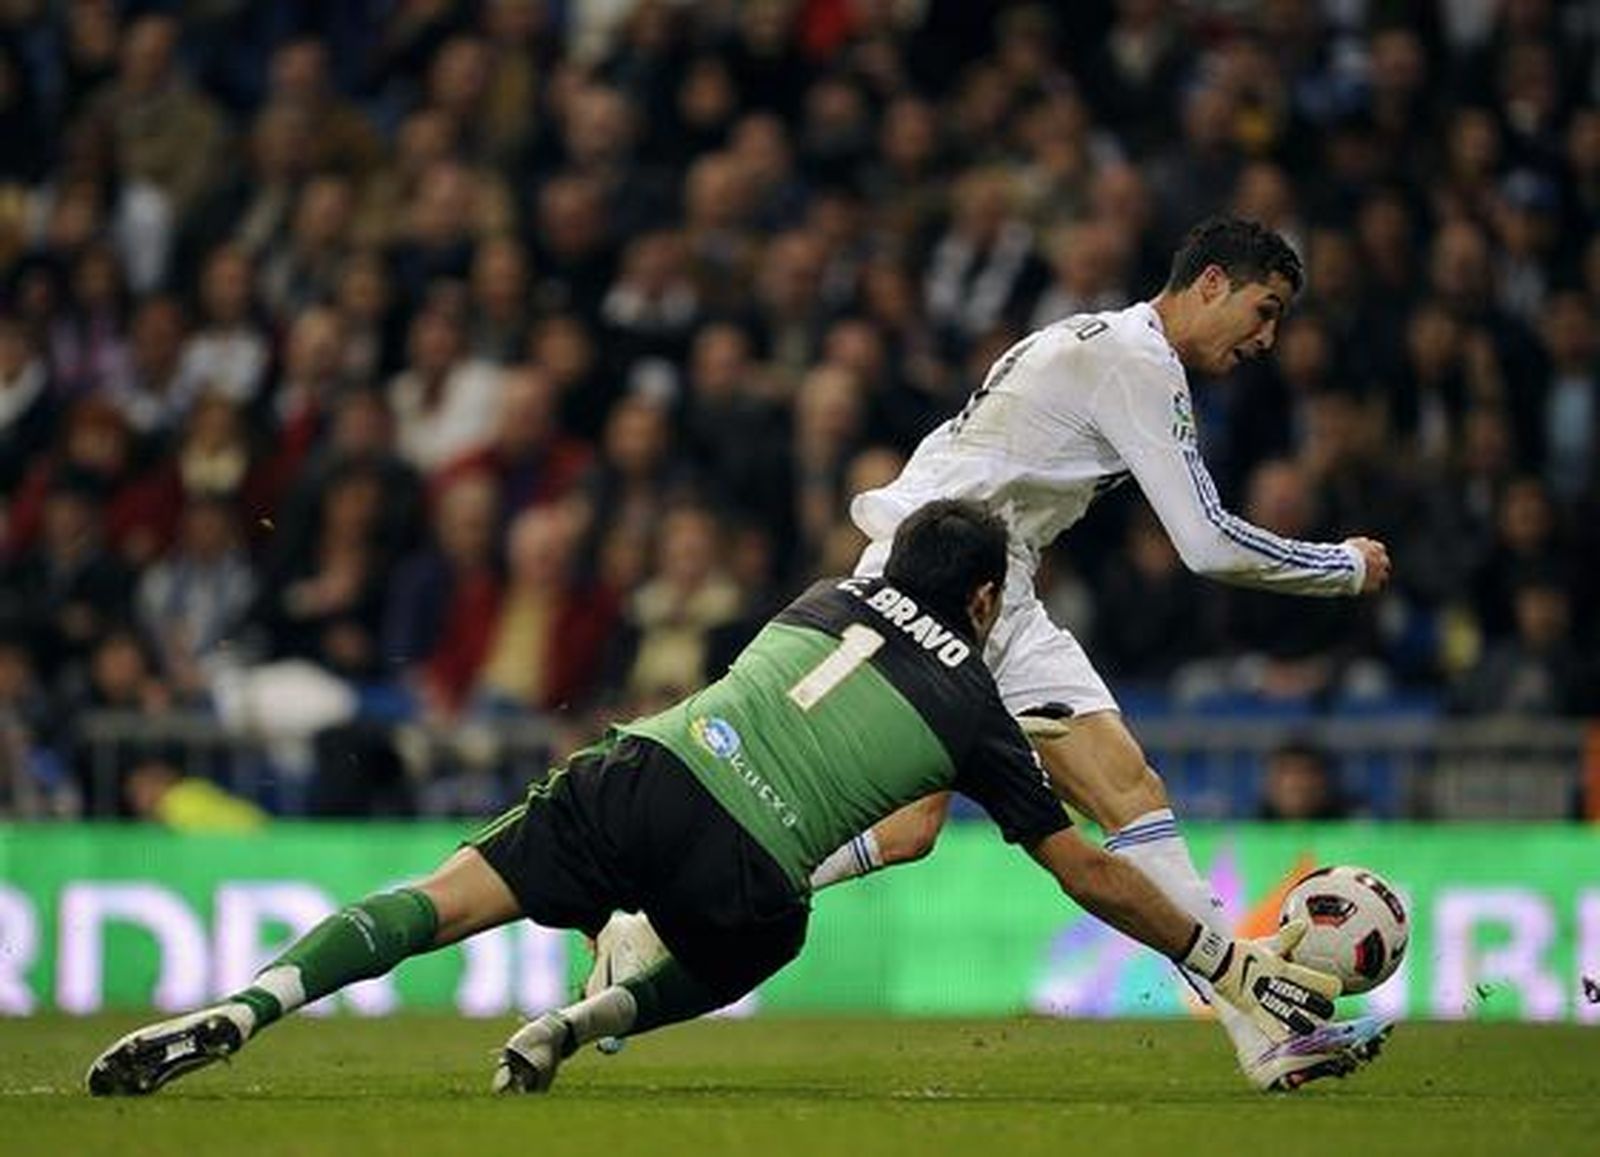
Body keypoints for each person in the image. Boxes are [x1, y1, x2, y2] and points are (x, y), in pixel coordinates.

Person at [85, 500, 1350, 1097]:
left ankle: (250, 1005)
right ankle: (584, 1019)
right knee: (769, 930)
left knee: (437, 898)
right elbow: (1080, 868)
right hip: (741, 863)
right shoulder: (974, 705)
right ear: (983, 600)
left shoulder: (822, 592)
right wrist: (1218, 957)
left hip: (642, 766)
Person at [597, 217, 1395, 1091]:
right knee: (952, 812)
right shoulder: (1136, 361)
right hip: (940, 585)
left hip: (985, 586)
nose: (1267, 337)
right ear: (1210, 282)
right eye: (1264, 308)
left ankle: (1261, 1028)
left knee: (1062, 803)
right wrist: (1341, 566)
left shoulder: (1091, 338)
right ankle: (657, 924)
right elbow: (1204, 542)